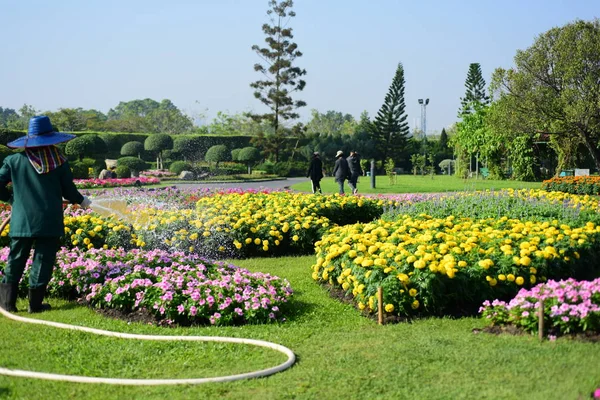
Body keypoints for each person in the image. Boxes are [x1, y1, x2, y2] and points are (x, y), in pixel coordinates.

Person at [0, 115, 91, 313]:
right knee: (42, 260)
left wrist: (10, 199)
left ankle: (7, 304)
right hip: (49, 220)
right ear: (51, 138)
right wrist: (82, 201)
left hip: (22, 221)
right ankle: (35, 305)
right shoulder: (59, 161)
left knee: (15, 259)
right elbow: (69, 191)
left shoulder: (13, 160)